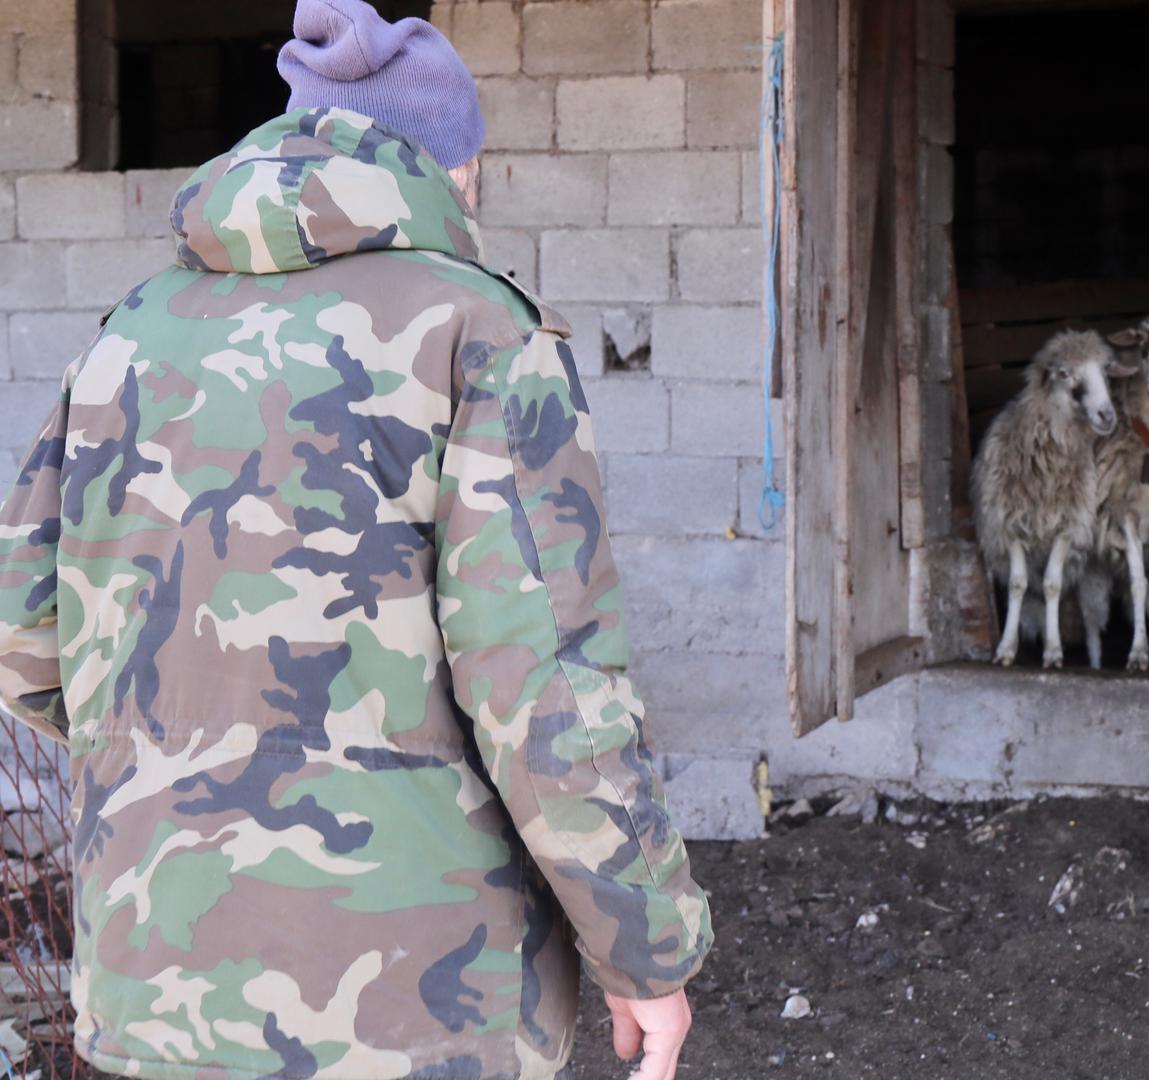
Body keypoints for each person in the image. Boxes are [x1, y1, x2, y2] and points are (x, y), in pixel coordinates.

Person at [0, 2, 712, 1077]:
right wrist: (647, 956)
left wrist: (170, 762)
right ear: (453, 168)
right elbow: (543, 692)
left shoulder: (125, 339)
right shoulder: (481, 333)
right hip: (419, 1011)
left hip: (156, 988)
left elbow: (25, 639)